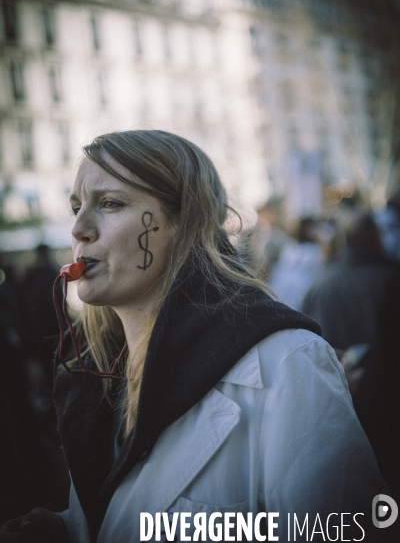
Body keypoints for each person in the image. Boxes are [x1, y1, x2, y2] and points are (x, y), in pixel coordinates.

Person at [0, 131, 396, 542]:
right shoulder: (95, 377)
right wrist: (67, 530)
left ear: (181, 222)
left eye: (110, 203)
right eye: (76, 207)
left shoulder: (288, 364)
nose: (79, 229)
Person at [302, 209, 400, 504]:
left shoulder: (320, 283)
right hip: (388, 406)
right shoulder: (391, 279)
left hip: (341, 404)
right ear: (373, 238)